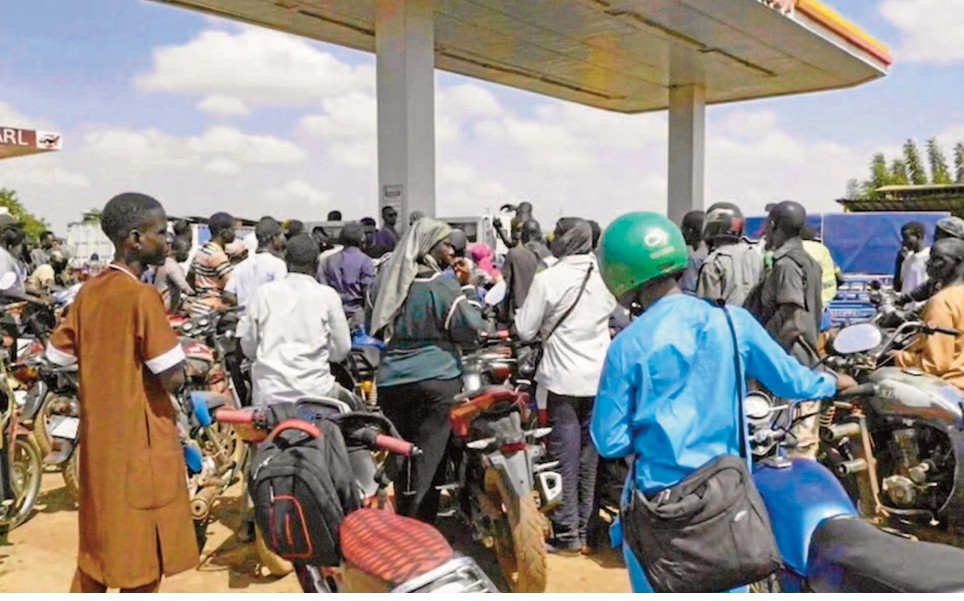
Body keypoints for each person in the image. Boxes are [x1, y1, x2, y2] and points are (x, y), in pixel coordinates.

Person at [589, 212, 857, 593]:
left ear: (617, 275)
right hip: (726, 503)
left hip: (658, 506)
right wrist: (831, 383)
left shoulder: (627, 347)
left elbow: (609, 440)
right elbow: (793, 380)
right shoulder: (733, 322)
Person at [45, 192, 196, 593]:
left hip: (100, 442)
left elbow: (56, 357)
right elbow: (171, 377)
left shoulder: (88, 292)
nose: (168, 241)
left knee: (98, 547)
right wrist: (193, 364)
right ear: (134, 239)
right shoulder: (141, 296)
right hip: (140, 442)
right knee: (141, 555)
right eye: (160, 233)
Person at [367, 218, 484, 522]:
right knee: (429, 461)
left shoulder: (386, 282)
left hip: (392, 381)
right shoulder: (442, 284)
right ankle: (421, 529)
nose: (450, 251)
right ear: (430, 247)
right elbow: (470, 329)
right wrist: (469, 288)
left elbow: (373, 326)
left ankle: (404, 518)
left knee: (402, 457)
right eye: (445, 244)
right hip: (437, 380)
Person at [516, 218, 617, 554]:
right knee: (590, 459)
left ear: (565, 239)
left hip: (561, 381)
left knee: (562, 459)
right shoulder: (606, 277)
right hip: (600, 379)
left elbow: (525, 330)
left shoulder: (549, 279)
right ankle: (588, 532)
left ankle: (567, 535)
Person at [238, 234, 353, 407]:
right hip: (317, 393)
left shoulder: (265, 293)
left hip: (269, 396)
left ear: (285, 261)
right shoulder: (327, 296)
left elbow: (249, 346)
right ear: (317, 264)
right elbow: (341, 351)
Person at [753, 201, 825, 458]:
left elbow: (792, 322)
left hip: (792, 369)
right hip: (803, 366)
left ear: (773, 226)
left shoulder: (787, 265)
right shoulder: (810, 262)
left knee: (795, 451)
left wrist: (769, 360)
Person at [895, 238, 964, 390]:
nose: (928, 264)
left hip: (950, 388)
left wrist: (895, 357)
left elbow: (935, 364)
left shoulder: (941, 302)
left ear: (957, 262)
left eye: (937, 260)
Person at [696, 203, 762, 307]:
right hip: (753, 321)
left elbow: (706, 308)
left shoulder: (713, 263)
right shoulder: (754, 255)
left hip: (726, 321)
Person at [318, 221, 376, 332]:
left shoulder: (327, 261)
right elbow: (368, 294)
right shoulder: (365, 261)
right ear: (362, 238)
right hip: (357, 317)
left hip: (332, 315)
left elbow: (322, 290)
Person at [223, 217, 287, 310]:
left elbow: (227, 294)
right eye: (280, 236)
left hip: (244, 322)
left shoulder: (241, 266)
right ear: (273, 238)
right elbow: (281, 295)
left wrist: (245, 303)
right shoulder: (277, 265)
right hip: (266, 321)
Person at [898, 216, 964, 305]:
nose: (935, 239)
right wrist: (905, 299)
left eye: (939, 235)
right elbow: (928, 286)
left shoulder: (952, 261)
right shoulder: (943, 273)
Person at [501, 219, 552, 319]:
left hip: (520, 314)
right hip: (545, 315)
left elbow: (506, 288)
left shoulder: (514, 254)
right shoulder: (552, 256)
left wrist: (502, 313)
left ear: (523, 236)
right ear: (540, 235)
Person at [190, 212, 235, 317]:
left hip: (198, 306)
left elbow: (190, 279)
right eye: (233, 230)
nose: (234, 234)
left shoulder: (200, 252)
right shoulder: (217, 255)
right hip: (212, 310)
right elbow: (232, 286)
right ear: (224, 232)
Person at [801, 225, 842, 332]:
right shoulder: (822, 249)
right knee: (824, 336)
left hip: (803, 305)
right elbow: (839, 274)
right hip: (824, 302)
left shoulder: (797, 248)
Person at [154, 237, 194, 314]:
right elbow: (184, 287)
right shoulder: (171, 266)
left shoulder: (167, 263)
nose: (186, 255)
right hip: (164, 307)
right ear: (175, 252)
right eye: (184, 253)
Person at [894, 221, 929, 295]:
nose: (904, 242)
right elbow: (897, 287)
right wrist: (899, 262)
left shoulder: (930, 256)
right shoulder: (907, 258)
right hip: (907, 305)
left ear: (918, 236)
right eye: (903, 239)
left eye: (907, 238)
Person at [678, 210, 706, 294]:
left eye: (683, 229)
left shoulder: (691, 258)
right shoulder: (710, 253)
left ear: (690, 231)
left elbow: (689, 289)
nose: (681, 233)